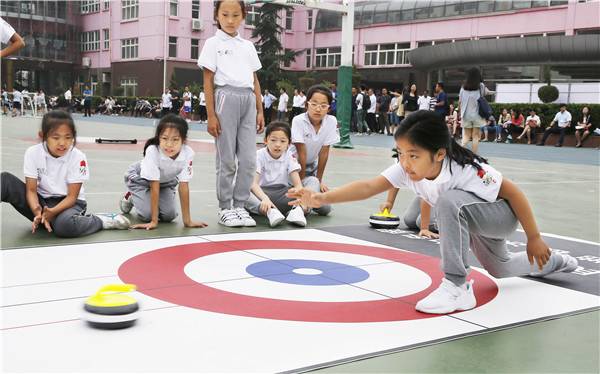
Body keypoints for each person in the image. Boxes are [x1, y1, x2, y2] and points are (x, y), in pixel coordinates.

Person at [288, 110, 578, 314]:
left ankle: (457, 286)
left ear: (439, 153)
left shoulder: (465, 170)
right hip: (472, 217)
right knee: (499, 268)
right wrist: (318, 198)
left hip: (498, 216)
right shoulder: (407, 168)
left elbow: (513, 193)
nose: (405, 162)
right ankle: (553, 262)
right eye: (400, 154)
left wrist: (534, 237)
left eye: (413, 155)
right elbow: (367, 186)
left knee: (450, 202)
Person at [1, 110, 130, 237]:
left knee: (64, 226)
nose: (62, 143)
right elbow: (31, 190)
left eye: (68, 137)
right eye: (56, 137)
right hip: (41, 200)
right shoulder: (32, 153)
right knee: (5, 181)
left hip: (70, 204)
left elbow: (72, 197)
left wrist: (52, 212)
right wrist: (37, 211)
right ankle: (46, 220)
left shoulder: (78, 157)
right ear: (43, 136)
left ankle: (100, 221)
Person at [198, 0, 265, 227]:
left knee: (248, 160)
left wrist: (259, 109)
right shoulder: (212, 43)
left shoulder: (247, 46)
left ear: (243, 16)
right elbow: (207, 80)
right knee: (227, 160)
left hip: (248, 100)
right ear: (216, 15)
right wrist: (211, 115)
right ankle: (225, 207)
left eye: (235, 15)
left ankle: (240, 205)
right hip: (225, 97)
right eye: (225, 14)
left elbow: (255, 80)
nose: (230, 20)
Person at [120, 114, 207, 230]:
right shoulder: (153, 151)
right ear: (159, 137)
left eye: (175, 139)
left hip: (166, 182)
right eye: (164, 138)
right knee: (147, 215)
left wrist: (188, 221)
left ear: (183, 140)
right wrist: (154, 221)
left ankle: (149, 199)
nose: (169, 144)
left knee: (169, 216)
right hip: (141, 180)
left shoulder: (188, 153)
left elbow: (184, 185)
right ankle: (131, 196)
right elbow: (154, 184)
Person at [246, 121, 308, 227]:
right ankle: (271, 212)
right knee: (237, 187)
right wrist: (265, 199)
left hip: (283, 195)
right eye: (273, 140)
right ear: (266, 140)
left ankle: (298, 210)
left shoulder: (289, 156)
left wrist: (299, 197)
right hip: (262, 195)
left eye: (283, 141)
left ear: (289, 143)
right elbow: (254, 184)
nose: (278, 145)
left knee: (312, 181)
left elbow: (297, 184)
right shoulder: (259, 155)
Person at [291, 85, 339, 216]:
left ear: (329, 108)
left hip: (311, 168)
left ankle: (302, 204)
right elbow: (301, 152)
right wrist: (300, 184)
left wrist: (319, 180)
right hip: (292, 168)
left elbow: (324, 152)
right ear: (307, 104)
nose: (318, 109)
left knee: (326, 209)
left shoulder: (331, 121)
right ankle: (301, 208)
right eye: (314, 104)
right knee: (305, 190)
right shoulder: (298, 120)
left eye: (324, 105)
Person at [458, 67, 492, 154]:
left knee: (466, 136)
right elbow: (486, 93)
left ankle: (460, 153)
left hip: (465, 115)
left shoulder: (463, 87)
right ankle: (474, 156)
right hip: (477, 115)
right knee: (475, 136)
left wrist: (459, 114)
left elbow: (460, 102)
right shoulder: (480, 86)